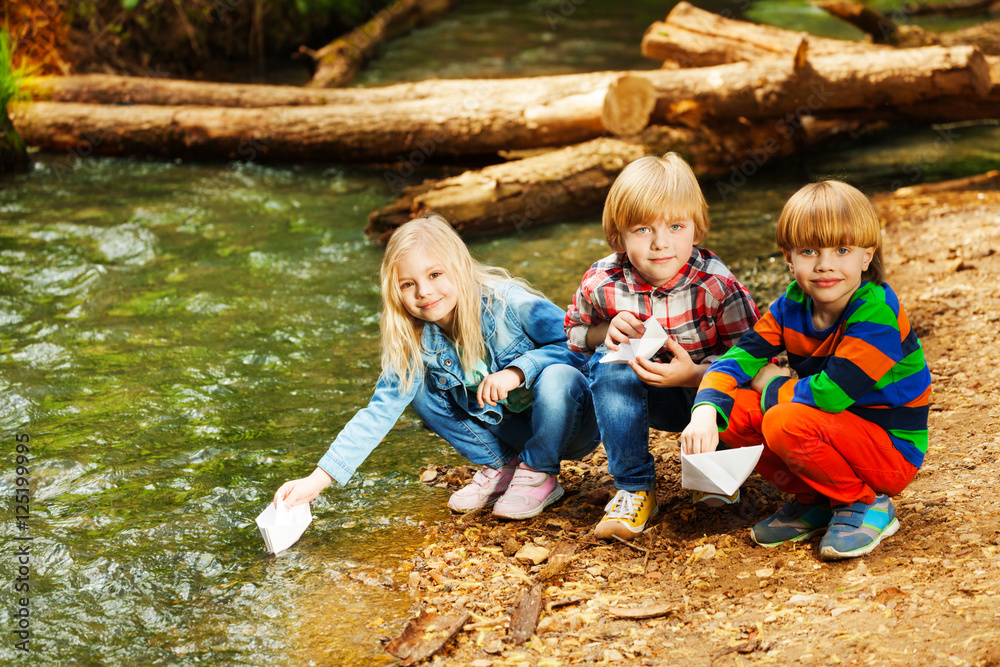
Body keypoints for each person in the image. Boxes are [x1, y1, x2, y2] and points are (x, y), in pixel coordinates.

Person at [274, 213, 599, 520]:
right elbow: (378, 412)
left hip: (573, 426)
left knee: (557, 375)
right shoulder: (417, 340)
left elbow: (580, 345)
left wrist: (519, 370)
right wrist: (316, 480)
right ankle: (505, 465)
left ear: (458, 267)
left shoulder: (509, 304)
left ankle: (539, 472)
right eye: (407, 284)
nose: (424, 291)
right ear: (394, 291)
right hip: (518, 432)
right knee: (416, 389)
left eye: (434, 274)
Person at [680, 180, 931, 560]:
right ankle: (815, 499)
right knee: (728, 412)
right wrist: (703, 411)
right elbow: (738, 358)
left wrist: (771, 381)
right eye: (810, 251)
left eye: (842, 250)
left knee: (784, 420)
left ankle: (864, 504)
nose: (825, 264)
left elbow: (831, 394)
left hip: (889, 451)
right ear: (788, 257)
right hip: (832, 433)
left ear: (866, 256)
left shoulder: (877, 313)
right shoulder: (789, 306)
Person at [565, 153, 760, 541]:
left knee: (737, 384)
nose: (660, 243)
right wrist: (603, 330)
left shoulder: (716, 286)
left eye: (675, 226)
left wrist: (693, 373)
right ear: (619, 236)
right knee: (608, 364)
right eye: (642, 229)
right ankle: (635, 487)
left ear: (697, 230)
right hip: (643, 394)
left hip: (702, 395)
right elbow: (573, 333)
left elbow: (753, 358)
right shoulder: (602, 281)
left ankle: (712, 472)